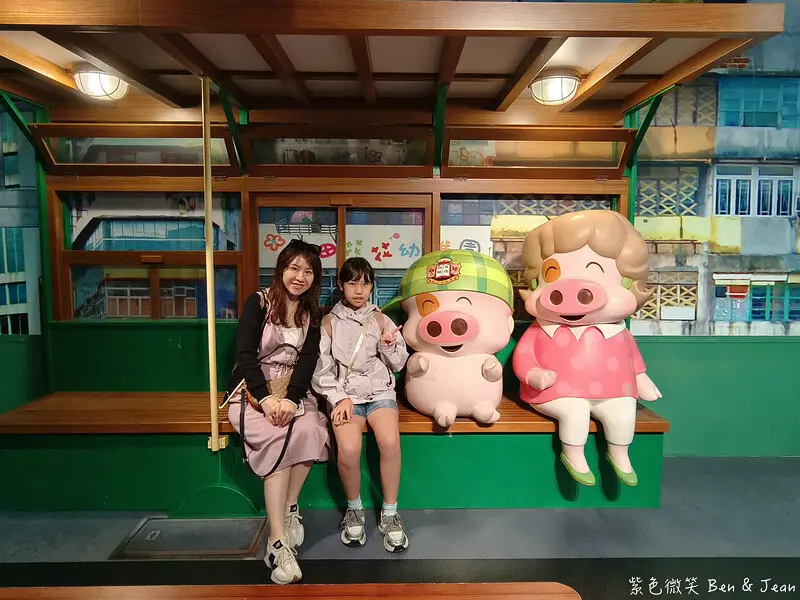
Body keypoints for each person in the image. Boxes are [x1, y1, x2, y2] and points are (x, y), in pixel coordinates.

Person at [225, 239, 330, 585]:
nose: (300, 277)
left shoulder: (312, 314)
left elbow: (308, 360)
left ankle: (289, 509)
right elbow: (244, 355)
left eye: (308, 271)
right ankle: (277, 542)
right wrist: (267, 400)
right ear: (281, 269)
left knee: (311, 428)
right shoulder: (259, 303)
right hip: (252, 392)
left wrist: (291, 399)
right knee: (278, 437)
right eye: (294, 268)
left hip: (292, 393)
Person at [312, 257, 410, 553]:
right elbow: (320, 370)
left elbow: (398, 364)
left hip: (380, 392)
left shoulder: (381, 319)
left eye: (365, 283)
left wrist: (389, 346)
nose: (359, 290)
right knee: (349, 449)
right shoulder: (328, 323)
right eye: (352, 283)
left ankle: (390, 513)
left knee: (390, 442)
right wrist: (338, 397)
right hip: (345, 396)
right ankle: (354, 509)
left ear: (371, 286)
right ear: (341, 285)